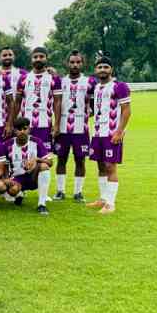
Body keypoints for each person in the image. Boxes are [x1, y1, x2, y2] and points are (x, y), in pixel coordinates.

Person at [86, 54, 131, 214]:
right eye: (100, 67)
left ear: (111, 69)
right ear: (95, 70)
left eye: (106, 67)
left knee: (110, 166)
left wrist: (119, 132)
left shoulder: (120, 86)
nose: (102, 69)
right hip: (98, 133)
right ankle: (103, 199)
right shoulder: (97, 88)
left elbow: (126, 111)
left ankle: (111, 204)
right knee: (100, 166)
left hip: (112, 133)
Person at [54, 50, 96, 202]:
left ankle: (78, 192)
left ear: (82, 63)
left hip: (81, 129)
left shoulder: (90, 82)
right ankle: (60, 191)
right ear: (67, 63)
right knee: (61, 159)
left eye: (78, 62)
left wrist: (87, 113)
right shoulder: (60, 81)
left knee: (80, 160)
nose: (75, 65)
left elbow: (94, 104)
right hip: (62, 129)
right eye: (72, 62)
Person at [14, 46, 62, 153]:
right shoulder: (23, 79)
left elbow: (58, 102)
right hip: (25, 126)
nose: (38, 59)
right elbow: (17, 103)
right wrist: (13, 123)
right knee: (25, 155)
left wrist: (57, 124)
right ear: (31, 59)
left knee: (45, 157)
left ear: (46, 58)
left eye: (41, 56)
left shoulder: (54, 78)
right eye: (35, 57)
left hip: (45, 125)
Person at [4, 117, 53, 216]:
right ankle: (19, 194)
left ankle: (41, 204)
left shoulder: (36, 142)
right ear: (14, 130)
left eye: (25, 128)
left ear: (29, 129)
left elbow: (50, 162)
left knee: (44, 166)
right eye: (19, 129)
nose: (22, 131)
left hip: (33, 176)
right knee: (12, 190)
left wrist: (36, 159)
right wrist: (6, 179)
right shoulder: (7, 145)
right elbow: (3, 165)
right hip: (17, 178)